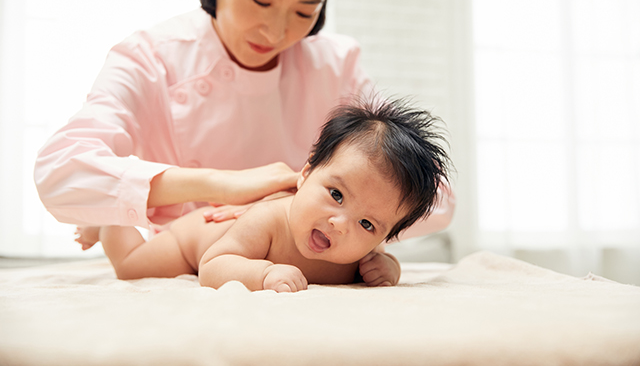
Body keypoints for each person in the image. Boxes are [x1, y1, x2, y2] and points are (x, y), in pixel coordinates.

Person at [34, 0, 455, 243]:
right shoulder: (150, 57)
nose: (275, 32)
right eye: (260, 0)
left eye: (305, 11)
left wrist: (295, 203)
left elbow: (434, 199)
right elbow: (59, 173)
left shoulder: (334, 63)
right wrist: (220, 185)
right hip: (185, 259)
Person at [91, 99, 451, 292]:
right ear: (307, 173)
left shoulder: (364, 248)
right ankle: (106, 218)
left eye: (368, 223)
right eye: (336, 195)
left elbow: (382, 259)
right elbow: (213, 266)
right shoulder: (269, 221)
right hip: (196, 239)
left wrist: (388, 268)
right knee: (131, 267)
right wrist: (261, 274)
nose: (340, 224)